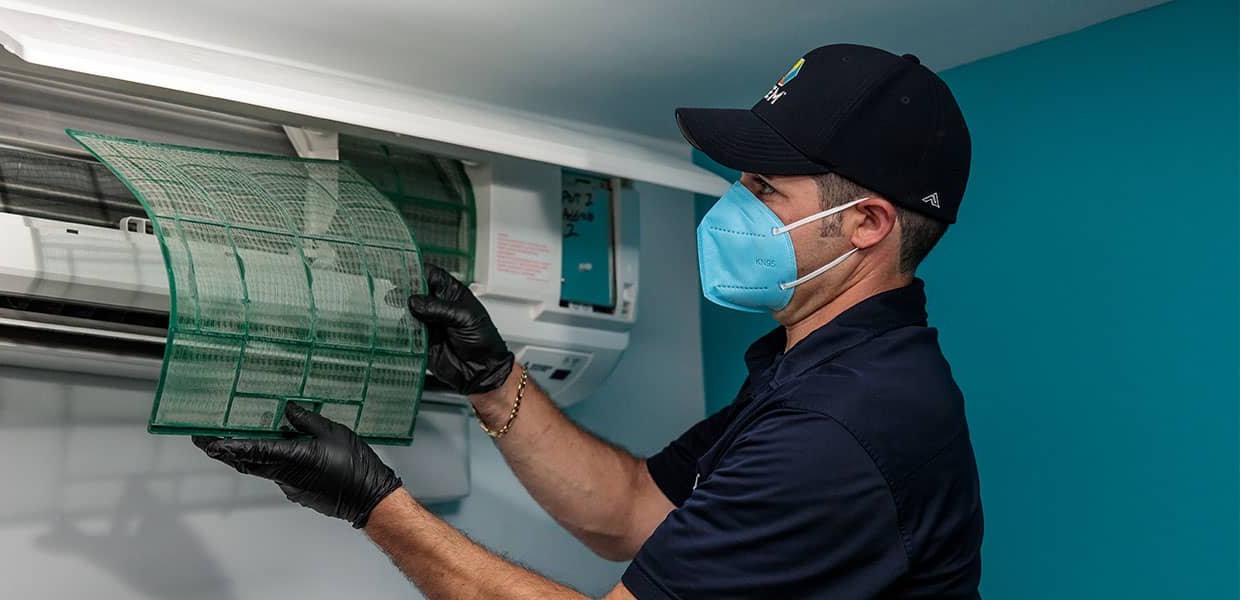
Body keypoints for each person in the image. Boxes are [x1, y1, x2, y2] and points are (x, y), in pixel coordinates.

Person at [194, 43, 983, 599]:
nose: (733, 205)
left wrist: (375, 505)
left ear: (867, 224)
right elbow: (634, 510)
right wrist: (495, 382)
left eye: (764, 189)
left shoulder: (842, 425)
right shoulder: (814, 364)